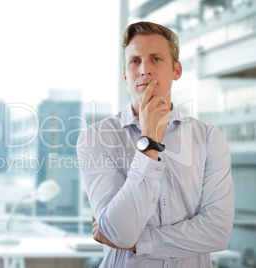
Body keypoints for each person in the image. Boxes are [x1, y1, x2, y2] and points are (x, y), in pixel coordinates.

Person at [76, 21, 234, 268]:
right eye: (135, 61)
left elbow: (217, 231)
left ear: (176, 70)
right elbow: (120, 233)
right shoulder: (96, 137)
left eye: (156, 59)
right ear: (125, 75)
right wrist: (149, 141)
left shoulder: (208, 138)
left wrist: (140, 243)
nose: (144, 70)